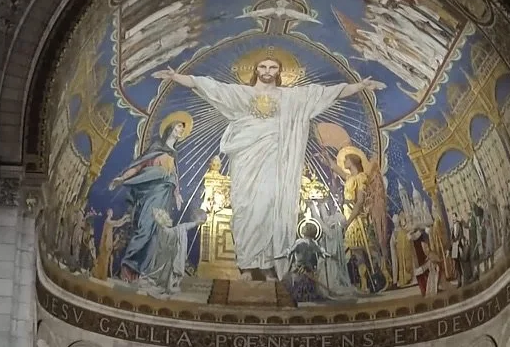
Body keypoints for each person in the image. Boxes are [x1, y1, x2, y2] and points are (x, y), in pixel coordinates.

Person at [153, 58, 383, 280]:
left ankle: (269, 264)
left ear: (278, 71)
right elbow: (209, 86)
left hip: (276, 161)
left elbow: (326, 93)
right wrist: (176, 77)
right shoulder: (242, 94)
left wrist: (360, 86)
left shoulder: (291, 97)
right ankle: (247, 264)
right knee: (245, 208)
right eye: (263, 66)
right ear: (256, 70)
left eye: (273, 66)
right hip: (246, 162)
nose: (267, 70)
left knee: (272, 206)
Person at [109, 115, 192, 282]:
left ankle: (142, 272)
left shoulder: (174, 155)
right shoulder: (157, 147)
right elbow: (139, 165)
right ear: (170, 128)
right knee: (145, 228)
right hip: (151, 193)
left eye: (182, 129)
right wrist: (123, 178)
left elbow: (174, 176)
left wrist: (177, 194)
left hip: (164, 197)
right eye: (178, 127)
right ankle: (127, 266)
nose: (180, 131)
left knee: (157, 234)